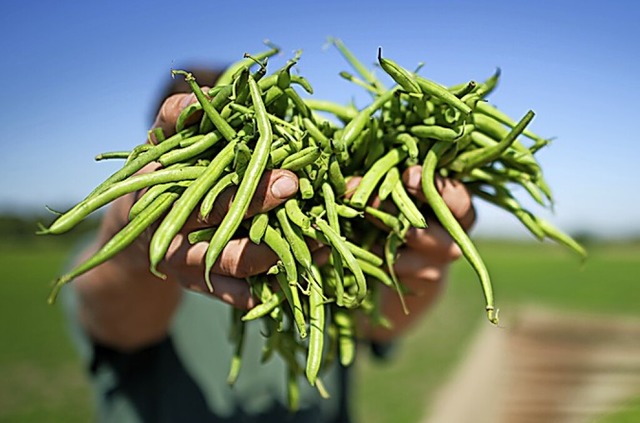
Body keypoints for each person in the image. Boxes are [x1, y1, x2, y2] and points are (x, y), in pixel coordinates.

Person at [59, 69, 476, 423]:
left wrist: (425, 249)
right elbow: (113, 315)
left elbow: (375, 319)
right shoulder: (107, 256)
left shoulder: (319, 232)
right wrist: (137, 244)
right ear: (158, 143)